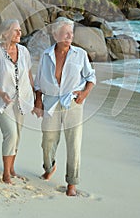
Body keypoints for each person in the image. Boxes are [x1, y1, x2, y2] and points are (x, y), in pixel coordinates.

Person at [34, 17, 96, 196]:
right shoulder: (46, 55)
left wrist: (84, 94)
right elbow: (38, 82)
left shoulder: (80, 54)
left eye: (71, 33)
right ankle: (49, 166)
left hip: (73, 104)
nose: (70, 36)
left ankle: (72, 182)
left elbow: (91, 77)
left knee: (73, 144)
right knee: (47, 141)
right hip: (51, 102)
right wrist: (38, 101)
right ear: (56, 35)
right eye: (65, 33)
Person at [0, 19, 34, 184]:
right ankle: (6, 174)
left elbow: (29, 75)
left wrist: (35, 97)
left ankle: (12, 169)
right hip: (2, 102)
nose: (20, 33)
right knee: (10, 134)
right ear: (5, 33)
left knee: (17, 136)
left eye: (20, 30)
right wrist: (2, 93)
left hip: (21, 101)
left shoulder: (24, 51)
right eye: (15, 30)